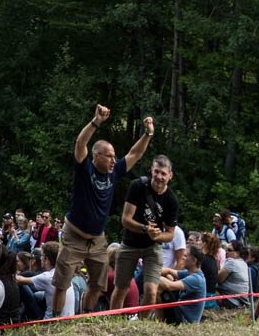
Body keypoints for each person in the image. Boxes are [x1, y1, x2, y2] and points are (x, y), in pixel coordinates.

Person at [53, 104, 154, 314]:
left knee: (98, 284)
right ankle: (54, 320)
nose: (113, 160)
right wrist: (96, 122)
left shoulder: (114, 172)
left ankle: (86, 317)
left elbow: (135, 154)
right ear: (97, 155)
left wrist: (148, 133)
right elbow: (80, 143)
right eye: (109, 156)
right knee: (62, 283)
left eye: (114, 156)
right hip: (74, 236)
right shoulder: (85, 169)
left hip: (98, 239)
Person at [116, 155, 178, 314]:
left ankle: (141, 323)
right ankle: (113, 321)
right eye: (156, 172)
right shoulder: (137, 186)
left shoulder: (171, 200)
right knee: (121, 288)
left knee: (151, 291)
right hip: (130, 243)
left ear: (170, 175)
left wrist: (157, 236)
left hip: (152, 247)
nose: (159, 177)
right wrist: (145, 229)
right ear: (151, 170)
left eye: (163, 173)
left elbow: (170, 234)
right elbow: (126, 219)